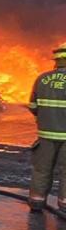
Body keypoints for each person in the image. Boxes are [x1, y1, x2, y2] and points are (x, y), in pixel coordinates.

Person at [27, 42, 66, 213]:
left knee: (42, 169)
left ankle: (36, 202)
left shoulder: (41, 79)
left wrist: (45, 119)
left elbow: (33, 106)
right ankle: (65, 205)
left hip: (45, 135)